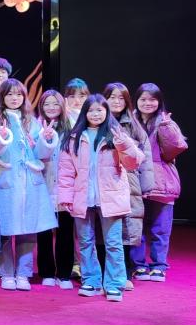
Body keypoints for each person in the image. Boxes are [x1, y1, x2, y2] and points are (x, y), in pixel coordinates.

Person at [58, 95, 143, 302]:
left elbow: (133, 163)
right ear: (84, 113)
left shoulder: (116, 135)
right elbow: (66, 172)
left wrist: (123, 144)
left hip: (111, 198)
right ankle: (91, 280)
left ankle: (114, 284)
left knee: (113, 243)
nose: (95, 114)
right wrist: (66, 197)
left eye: (100, 110)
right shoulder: (74, 138)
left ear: (106, 112)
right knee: (85, 242)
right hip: (83, 198)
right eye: (91, 110)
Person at [0, 79, 57, 291]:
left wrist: (46, 140)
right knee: (6, 229)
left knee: (29, 229)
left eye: (18, 94)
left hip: (30, 182)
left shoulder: (32, 121)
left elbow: (40, 154)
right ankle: (7, 273)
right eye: (9, 94)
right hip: (5, 179)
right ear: (2, 97)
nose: (14, 98)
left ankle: (24, 273)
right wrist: (1, 139)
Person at [131, 83, 187, 282]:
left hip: (162, 182)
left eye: (152, 99)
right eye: (143, 99)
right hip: (136, 179)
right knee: (135, 226)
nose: (148, 103)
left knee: (161, 228)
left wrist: (166, 127)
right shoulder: (130, 121)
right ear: (136, 101)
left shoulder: (165, 122)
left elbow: (174, 149)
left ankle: (159, 266)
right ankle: (138, 265)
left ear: (159, 102)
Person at [104, 82, 155, 289]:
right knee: (103, 229)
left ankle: (123, 273)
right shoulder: (98, 119)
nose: (116, 102)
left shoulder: (133, 125)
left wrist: (146, 186)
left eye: (121, 98)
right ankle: (103, 273)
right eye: (112, 97)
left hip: (129, 182)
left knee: (126, 229)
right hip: (104, 181)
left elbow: (146, 157)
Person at [34, 90, 76, 289]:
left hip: (66, 186)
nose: (51, 108)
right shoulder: (35, 126)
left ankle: (64, 273)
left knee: (66, 231)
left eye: (55, 104)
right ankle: (47, 272)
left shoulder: (72, 127)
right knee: (43, 232)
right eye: (47, 104)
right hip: (43, 184)